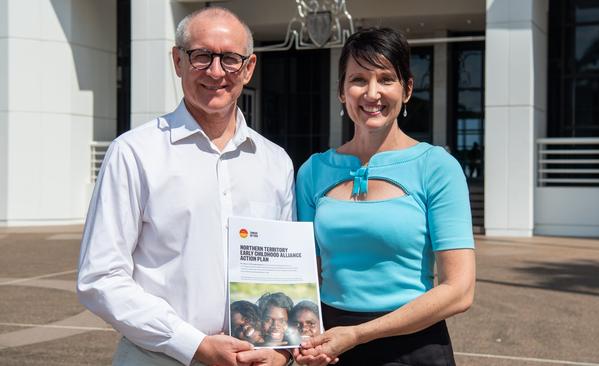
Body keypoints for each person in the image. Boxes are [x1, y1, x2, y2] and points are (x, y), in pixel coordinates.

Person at [77, 7, 295, 366]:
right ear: (177, 61)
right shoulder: (134, 153)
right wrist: (193, 344)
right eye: (201, 56)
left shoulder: (275, 162)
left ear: (248, 67)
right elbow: (100, 278)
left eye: (229, 58)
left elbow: (284, 273)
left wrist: (281, 352)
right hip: (158, 357)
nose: (215, 71)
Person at [295, 27, 476, 365]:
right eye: (359, 79)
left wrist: (359, 334)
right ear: (341, 91)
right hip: (331, 347)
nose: (372, 93)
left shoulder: (436, 167)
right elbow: (304, 279)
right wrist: (305, 342)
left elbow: (460, 290)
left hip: (414, 346)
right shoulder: (313, 171)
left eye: (386, 79)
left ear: (407, 89)